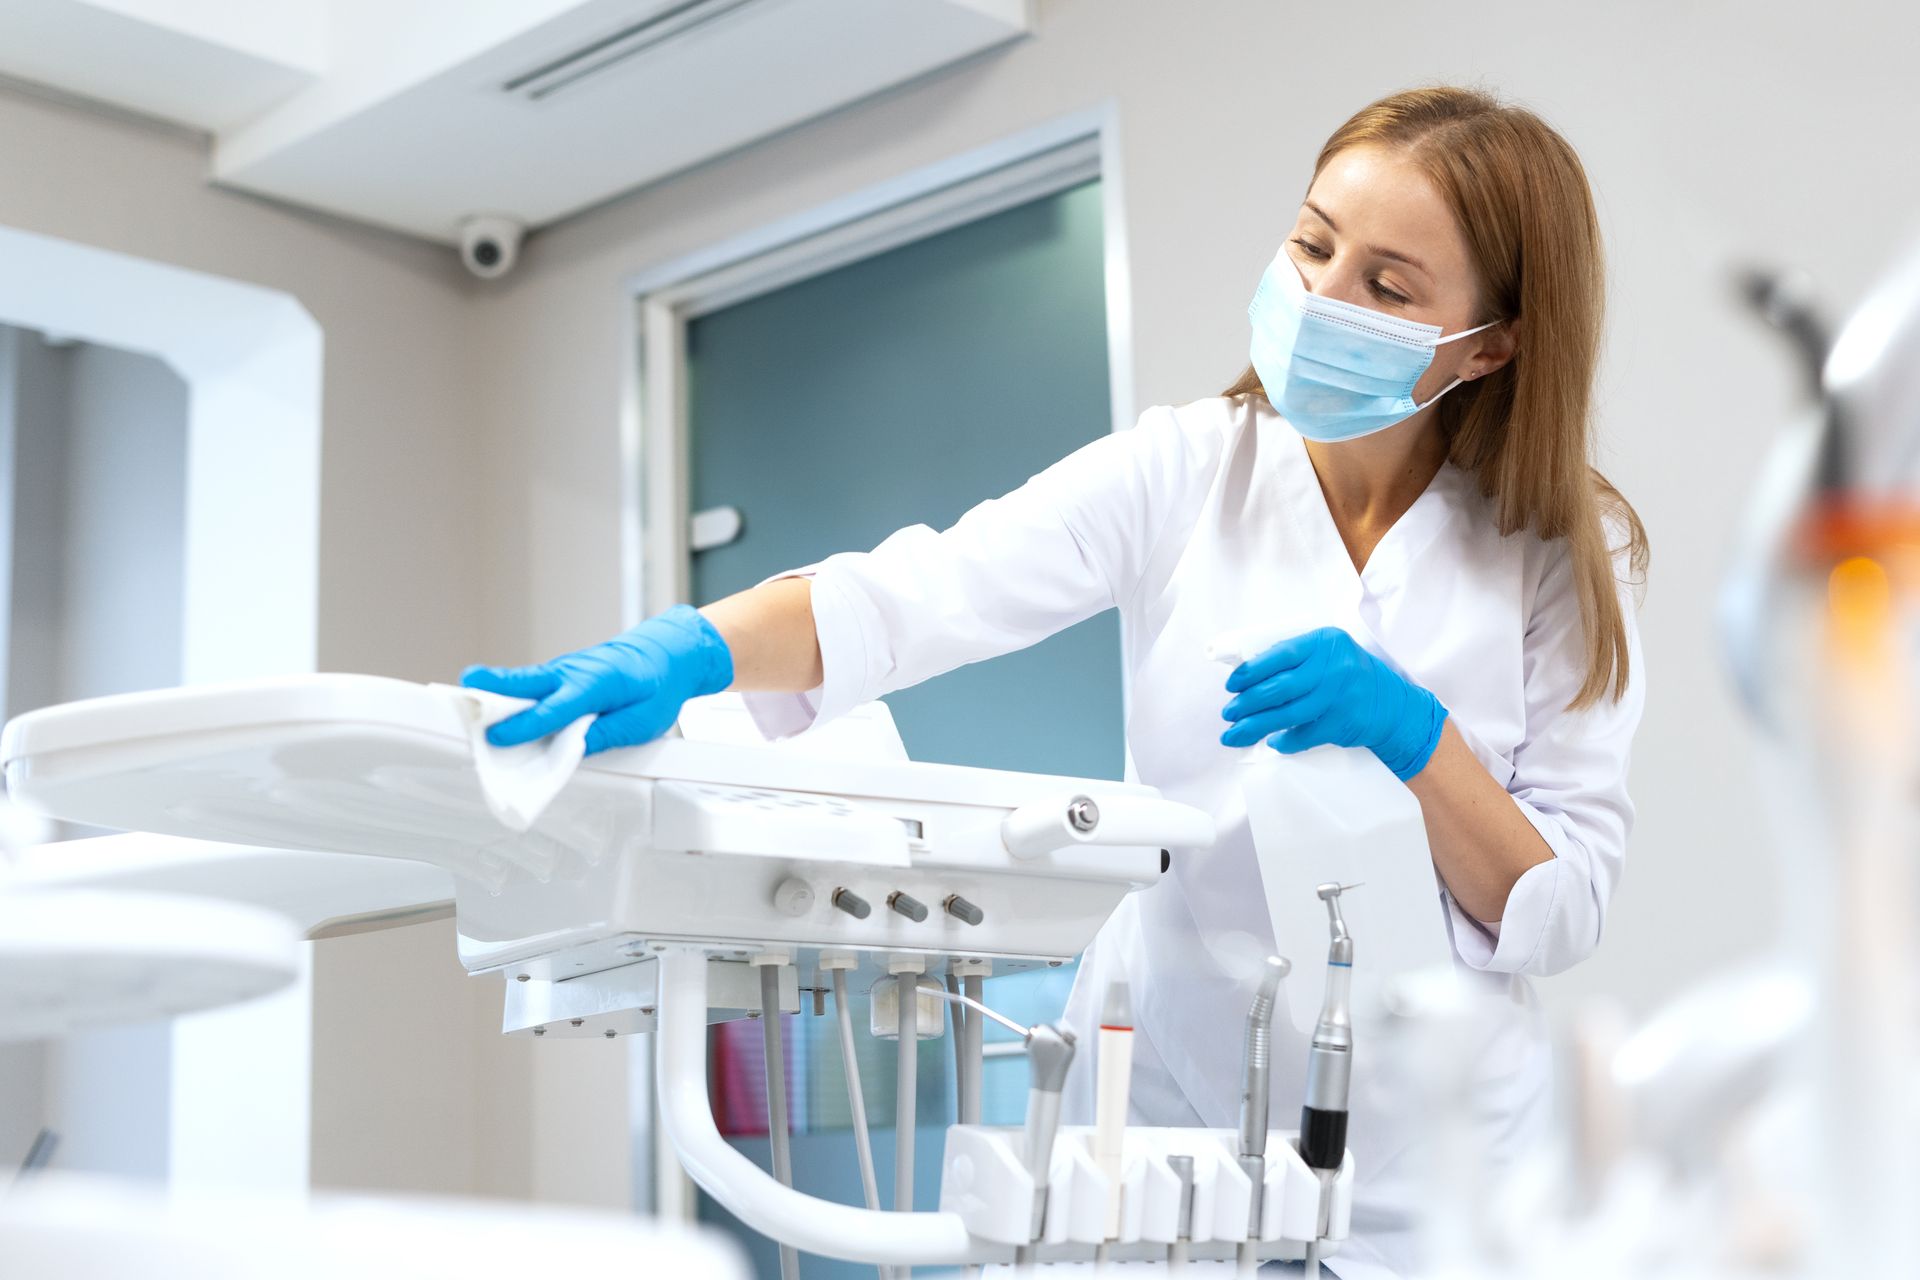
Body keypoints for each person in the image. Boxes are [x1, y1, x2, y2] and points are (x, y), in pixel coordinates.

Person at [463, 85, 1647, 1277]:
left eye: (1388, 287)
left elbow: (1565, 900)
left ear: (1489, 342)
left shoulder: (1565, 549)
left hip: (1431, 1166)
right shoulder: (1187, 469)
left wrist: (1417, 739)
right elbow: (919, 592)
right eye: (1311, 244)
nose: (1322, 298)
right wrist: (690, 649)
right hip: (1169, 1105)